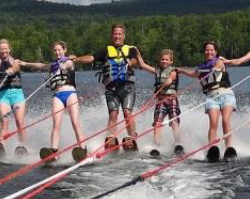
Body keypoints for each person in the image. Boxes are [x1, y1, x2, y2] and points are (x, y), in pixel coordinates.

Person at [74, 23, 141, 151]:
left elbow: (135, 61)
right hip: (111, 89)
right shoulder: (105, 50)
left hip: (127, 87)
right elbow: (91, 58)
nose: (117, 36)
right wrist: (77, 59)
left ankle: (132, 137)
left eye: (119, 34)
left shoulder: (131, 49)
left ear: (124, 35)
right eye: (115, 34)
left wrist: (130, 61)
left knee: (127, 112)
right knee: (113, 114)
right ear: (112, 35)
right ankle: (111, 138)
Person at [18, 41, 87, 162]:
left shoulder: (69, 61)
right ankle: (54, 151)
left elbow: (69, 64)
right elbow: (39, 65)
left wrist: (63, 67)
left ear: (64, 50)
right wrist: (25, 63)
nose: (57, 52)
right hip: (58, 95)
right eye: (55, 50)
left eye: (59, 50)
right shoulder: (52, 65)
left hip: (70, 94)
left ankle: (83, 148)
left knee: (75, 122)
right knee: (56, 124)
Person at [178, 41, 237, 162]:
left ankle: (228, 148)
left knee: (225, 121)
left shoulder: (219, 61)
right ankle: (211, 148)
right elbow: (192, 73)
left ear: (215, 52)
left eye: (211, 50)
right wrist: (181, 70)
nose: (209, 52)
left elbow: (218, 67)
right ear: (204, 51)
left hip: (225, 94)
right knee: (213, 123)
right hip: (211, 97)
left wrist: (213, 69)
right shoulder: (201, 67)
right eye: (207, 50)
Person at [136, 49, 183, 156]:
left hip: (171, 100)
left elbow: (171, 79)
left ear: (171, 61)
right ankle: (157, 144)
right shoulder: (157, 71)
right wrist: (137, 52)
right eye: (162, 59)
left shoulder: (173, 71)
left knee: (174, 121)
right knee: (157, 122)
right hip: (160, 101)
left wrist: (168, 81)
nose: (164, 61)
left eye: (167, 60)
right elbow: (143, 65)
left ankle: (177, 143)